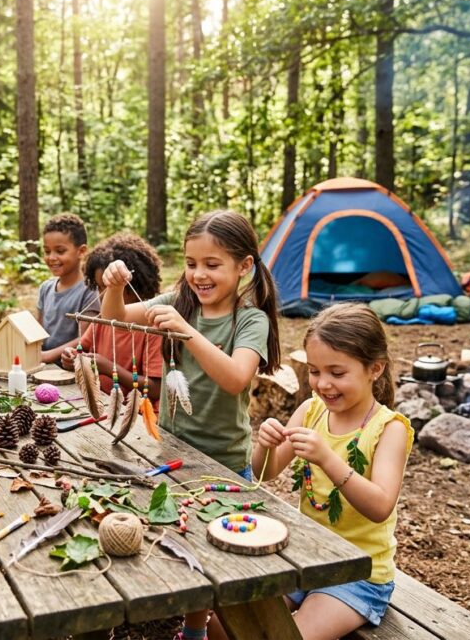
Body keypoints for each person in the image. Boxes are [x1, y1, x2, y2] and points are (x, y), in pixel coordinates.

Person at [100, 210, 281, 640]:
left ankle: (197, 629)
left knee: (216, 553)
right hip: (173, 452)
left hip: (224, 466)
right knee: (177, 537)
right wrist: (112, 287)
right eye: (192, 263)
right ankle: (175, 612)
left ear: (244, 266)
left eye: (212, 264)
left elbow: (237, 377)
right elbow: (119, 316)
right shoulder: (177, 302)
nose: (199, 274)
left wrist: (186, 333)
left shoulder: (249, 319)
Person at [244, 303, 414, 640]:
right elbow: (266, 472)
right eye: (315, 371)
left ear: (375, 369)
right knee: (231, 618)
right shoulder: (310, 411)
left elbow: (380, 507)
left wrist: (328, 460)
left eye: (337, 373)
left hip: (360, 574)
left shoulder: (389, 429)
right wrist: (264, 444)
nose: (323, 384)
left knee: (290, 635)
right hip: (307, 557)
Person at [60, 232, 164, 406]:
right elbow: (81, 349)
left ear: (137, 285)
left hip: (137, 417)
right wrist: (71, 357)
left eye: (114, 289)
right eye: (100, 288)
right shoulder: (103, 321)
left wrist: (109, 368)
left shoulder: (154, 326)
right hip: (100, 405)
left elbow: (155, 388)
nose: (103, 296)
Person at [37, 213, 99, 363]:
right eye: (47, 251)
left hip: (71, 370)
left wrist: (47, 356)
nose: (51, 257)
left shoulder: (89, 290)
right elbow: (37, 334)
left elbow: (86, 339)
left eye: (60, 251)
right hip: (42, 368)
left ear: (81, 251)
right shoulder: (45, 288)